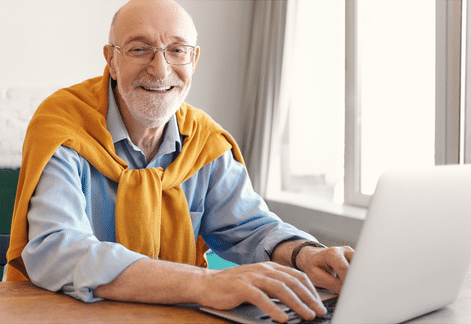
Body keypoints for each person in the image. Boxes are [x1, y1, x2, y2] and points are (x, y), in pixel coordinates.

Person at [6, 0, 354, 322]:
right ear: (111, 61)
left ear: (194, 60)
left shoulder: (205, 140)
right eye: (139, 49)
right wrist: (205, 284)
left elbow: (251, 228)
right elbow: (57, 248)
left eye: (177, 51)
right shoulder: (63, 125)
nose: (160, 70)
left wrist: (305, 255)